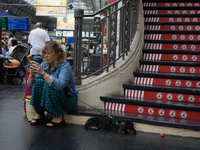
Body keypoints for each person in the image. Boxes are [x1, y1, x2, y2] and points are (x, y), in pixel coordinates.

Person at [28, 41, 78, 127]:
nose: (46, 56)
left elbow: (59, 85)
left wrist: (43, 74)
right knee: (37, 83)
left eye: (49, 53)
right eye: (45, 53)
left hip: (68, 100)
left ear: (58, 54)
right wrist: (32, 75)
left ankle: (59, 115)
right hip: (52, 98)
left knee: (51, 85)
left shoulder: (65, 66)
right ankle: (39, 113)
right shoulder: (44, 65)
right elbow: (31, 86)